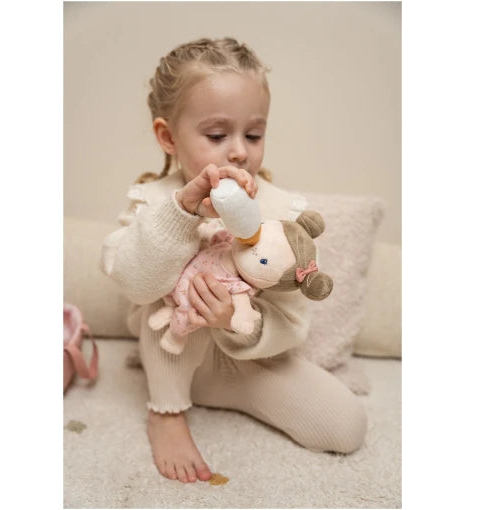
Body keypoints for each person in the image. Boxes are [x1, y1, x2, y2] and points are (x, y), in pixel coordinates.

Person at [100, 37, 367, 484]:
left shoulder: (279, 211)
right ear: (168, 137)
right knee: (164, 286)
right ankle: (167, 410)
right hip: (173, 350)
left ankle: (218, 389)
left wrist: (237, 323)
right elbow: (134, 282)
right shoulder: (152, 202)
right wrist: (181, 214)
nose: (240, 151)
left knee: (346, 426)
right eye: (217, 135)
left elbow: (293, 319)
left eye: (254, 134)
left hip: (245, 361)